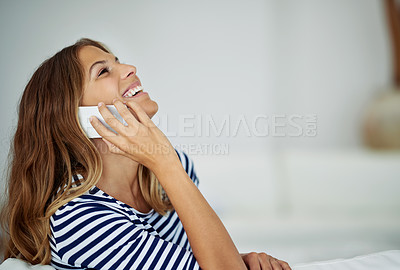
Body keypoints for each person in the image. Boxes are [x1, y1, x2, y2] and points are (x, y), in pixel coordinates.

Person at [0, 38, 292, 270]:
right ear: (74, 118)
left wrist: (239, 259)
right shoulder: (79, 218)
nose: (129, 68)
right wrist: (164, 162)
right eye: (103, 71)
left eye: (117, 61)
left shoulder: (169, 169)